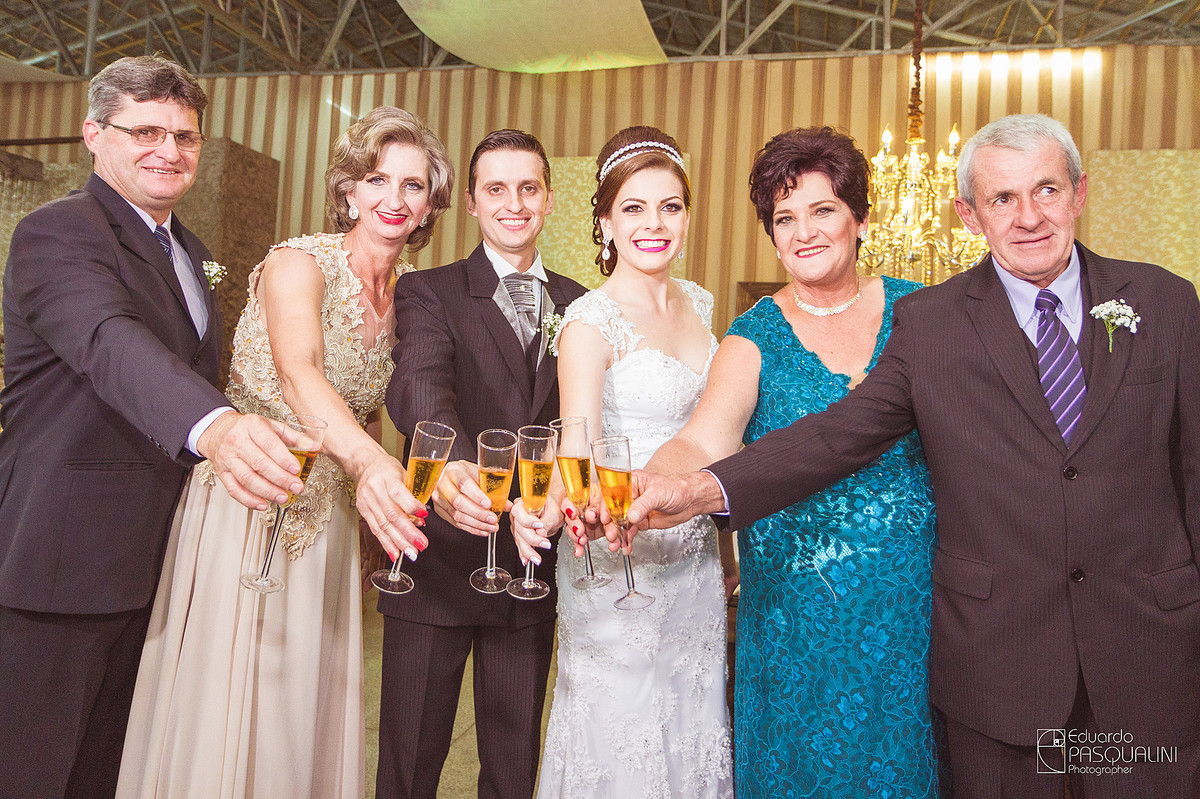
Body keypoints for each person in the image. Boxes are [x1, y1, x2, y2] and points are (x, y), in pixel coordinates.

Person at [626, 113, 1200, 797]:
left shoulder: (1166, 302)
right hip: (1003, 668)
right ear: (968, 214)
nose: (1028, 217)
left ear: (1078, 193)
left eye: (1046, 190)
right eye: (1001, 199)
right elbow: (833, 437)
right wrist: (692, 490)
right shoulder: (934, 325)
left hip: (1145, 661)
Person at [115, 106, 447, 799]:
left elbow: (369, 411)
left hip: (326, 524)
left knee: (305, 703)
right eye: (377, 179)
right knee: (234, 693)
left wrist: (374, 518)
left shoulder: (412, 294)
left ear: (430, 204)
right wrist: (372, 468)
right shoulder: (299, 263)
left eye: (413, 185)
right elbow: (302, 374)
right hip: (247, 501)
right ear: (349, 190)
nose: (394, 199)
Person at [0, 55, 303, 799]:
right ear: (93, 136)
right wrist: (219, 428)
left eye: (185, 135)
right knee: (34, 769)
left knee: (106, 770)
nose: (168, 150)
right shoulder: (56, 232)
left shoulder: (193, 254)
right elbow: (110, 341)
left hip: (154, 563)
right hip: (62, 560)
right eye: (145, 131)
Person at [639, 126, 942, 797]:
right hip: (796, 620)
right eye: (784, 217)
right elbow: (702, 440)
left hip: (913, 616)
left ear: (860, 218)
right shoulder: (753, 337)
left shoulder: (926, 314)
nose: (804, 231)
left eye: (823, 209)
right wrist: (658, 479)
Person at [512, 125, 733, 797]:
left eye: (670, 205)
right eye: (633, 207)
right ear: (606, 220)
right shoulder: (588, 321)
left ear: (688, 214)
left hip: (693, 562)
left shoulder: (701, 304)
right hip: (616, 562)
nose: (654, 223)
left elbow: (718, 430)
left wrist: (726, 550)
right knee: (622, 734)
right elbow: (576, 442)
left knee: (692, 725)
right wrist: (570, 501)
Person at [378, 129, 586, 799]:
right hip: (436, 563)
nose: (514, 203)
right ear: (471, 201)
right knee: (408, 771)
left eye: (528, 188)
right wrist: (456, 468)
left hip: (530, 570)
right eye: (496, 189)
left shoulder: (581, 303)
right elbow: (418, 386)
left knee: (513, 774)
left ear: (549, 198)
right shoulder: (429, 291)